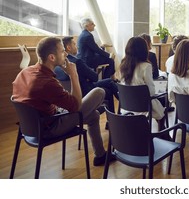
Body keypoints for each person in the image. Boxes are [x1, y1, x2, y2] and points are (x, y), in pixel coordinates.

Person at [12, 37, 114, 166]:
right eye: (62, 51)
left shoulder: (25, 72)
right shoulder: (47, 82)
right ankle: (101, 152)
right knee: (99, 91)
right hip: (49, 128)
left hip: (30, 127)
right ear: (52, 57)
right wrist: (73, 75)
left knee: (93, 115)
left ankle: (101, 156)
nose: (66, 54)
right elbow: (76, 106)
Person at [119, 36, 170, 140]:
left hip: (126, 104)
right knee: (162, 112)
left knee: (157, 105)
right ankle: (162, 133)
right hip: (144, 104)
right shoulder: (146, 66)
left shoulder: (123, 64)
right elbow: (150, 91)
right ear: (143, 50)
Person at [54, 36, 119, 113]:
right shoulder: (77, 62)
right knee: (109, 86)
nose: (77, 46)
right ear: (68, 47)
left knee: (109, 83)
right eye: (74, 44)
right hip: (85, 91)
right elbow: (95, 77)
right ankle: (124, 106)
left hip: (69, 95)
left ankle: (114, 118)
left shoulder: (56, 64)